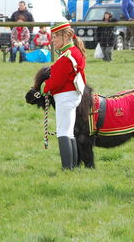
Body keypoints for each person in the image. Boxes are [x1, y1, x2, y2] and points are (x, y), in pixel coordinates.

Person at [41, 22, 87, 170]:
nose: (52, 40)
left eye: (55, 37)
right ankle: (72, 167)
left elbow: (56, 81)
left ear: (65, 36)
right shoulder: (73, 52)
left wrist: (44, 87)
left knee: (63, 132)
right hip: (71, 95)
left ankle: (67, 168)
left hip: (65, 96)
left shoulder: (67, 56)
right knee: (68, 132)